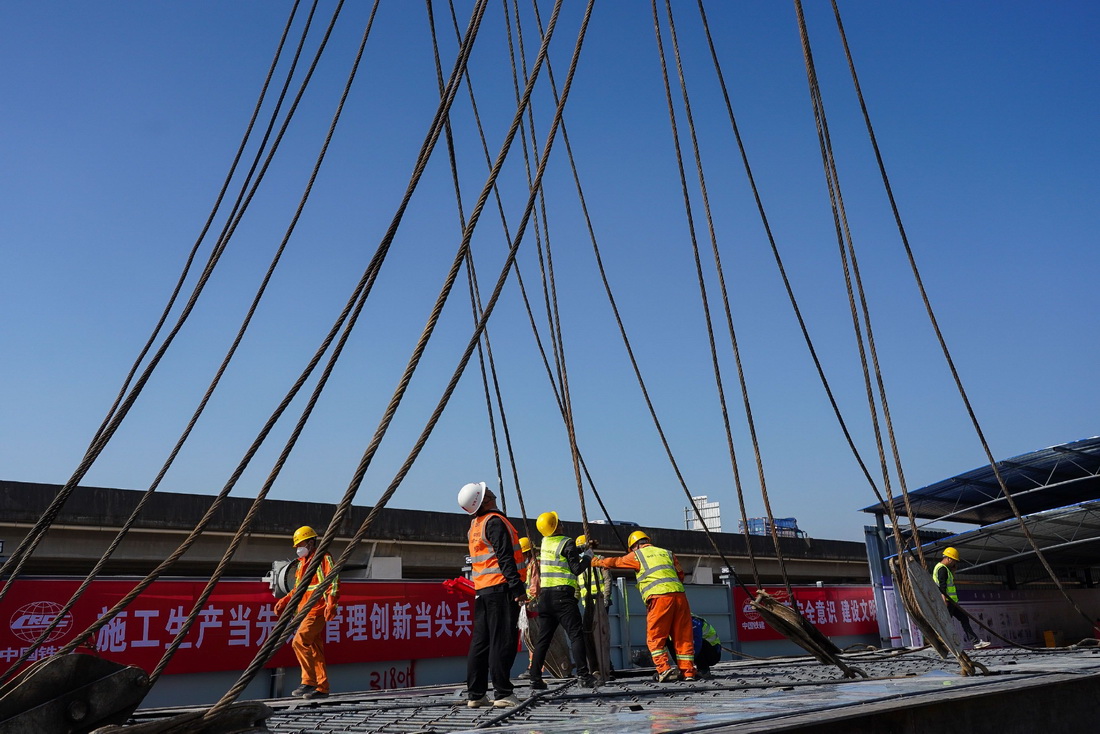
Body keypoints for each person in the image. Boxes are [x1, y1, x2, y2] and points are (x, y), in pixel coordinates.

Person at [458, 482, 528, 709]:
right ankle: (503, 692)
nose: (490, 491)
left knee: (481, 642)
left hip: (483, 590)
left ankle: (476, 694)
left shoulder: (475, 525)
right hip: (501, 588)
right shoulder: (495, 522)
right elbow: (505, 558)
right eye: (486, 491)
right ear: (484, 499)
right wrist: (517, 588)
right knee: (502, 641)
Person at [592, 529, 696, 681]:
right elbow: (680, 575)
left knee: (655, 637)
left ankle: (664, 669)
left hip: (659, 598)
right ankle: (688, 673)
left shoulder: (637, 555)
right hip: (680, 597)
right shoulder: (666, 552)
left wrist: (597, 562)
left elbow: (616, 562)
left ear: (634, 546)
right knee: (683, 636)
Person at [273, 525, 340, 699]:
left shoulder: (323, 558)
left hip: (317, 609)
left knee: (299, 641)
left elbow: (333, 581)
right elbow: (298, 589)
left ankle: (308, 682)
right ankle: (322, 687)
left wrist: (331, 603)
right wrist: (284, 600)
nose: (298, 549)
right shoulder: (302, 564)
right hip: (304, 611)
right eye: (297, 546)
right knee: (315, 648)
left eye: (301, 544)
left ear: (311, 543)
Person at [528, 511, 593, 689]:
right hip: (563, 598)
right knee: (576, 635)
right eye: (559, 522)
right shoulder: (567, 541)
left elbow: (564, 552)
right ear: (556, 526)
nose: (562, 524)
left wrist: (581, 548)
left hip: (545, 598)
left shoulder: (545, 542)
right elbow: (577, 568)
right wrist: (588, 556)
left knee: (544, 639)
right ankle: (584, 676)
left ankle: (535, 678)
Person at [933, 547, 991, 649]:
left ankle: (976, 642)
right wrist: (944, 601)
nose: (954, 563)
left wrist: (953, 571)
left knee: (963, 618)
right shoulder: (942, 569)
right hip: (947, 602)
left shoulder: (944, 569)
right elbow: (942, 587)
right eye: (954, 560)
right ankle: (940, 642)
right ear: (949, 559)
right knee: (946, 623)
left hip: (951, 602)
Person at [576, 534, 613, 682]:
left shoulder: (599, 560)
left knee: (601, 636)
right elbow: (578, 588)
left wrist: (605, 599)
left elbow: (607, 580)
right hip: (588, 605)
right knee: (589, 637)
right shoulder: (579, 564)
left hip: (600, 603)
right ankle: (596, 668)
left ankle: (607, 668)